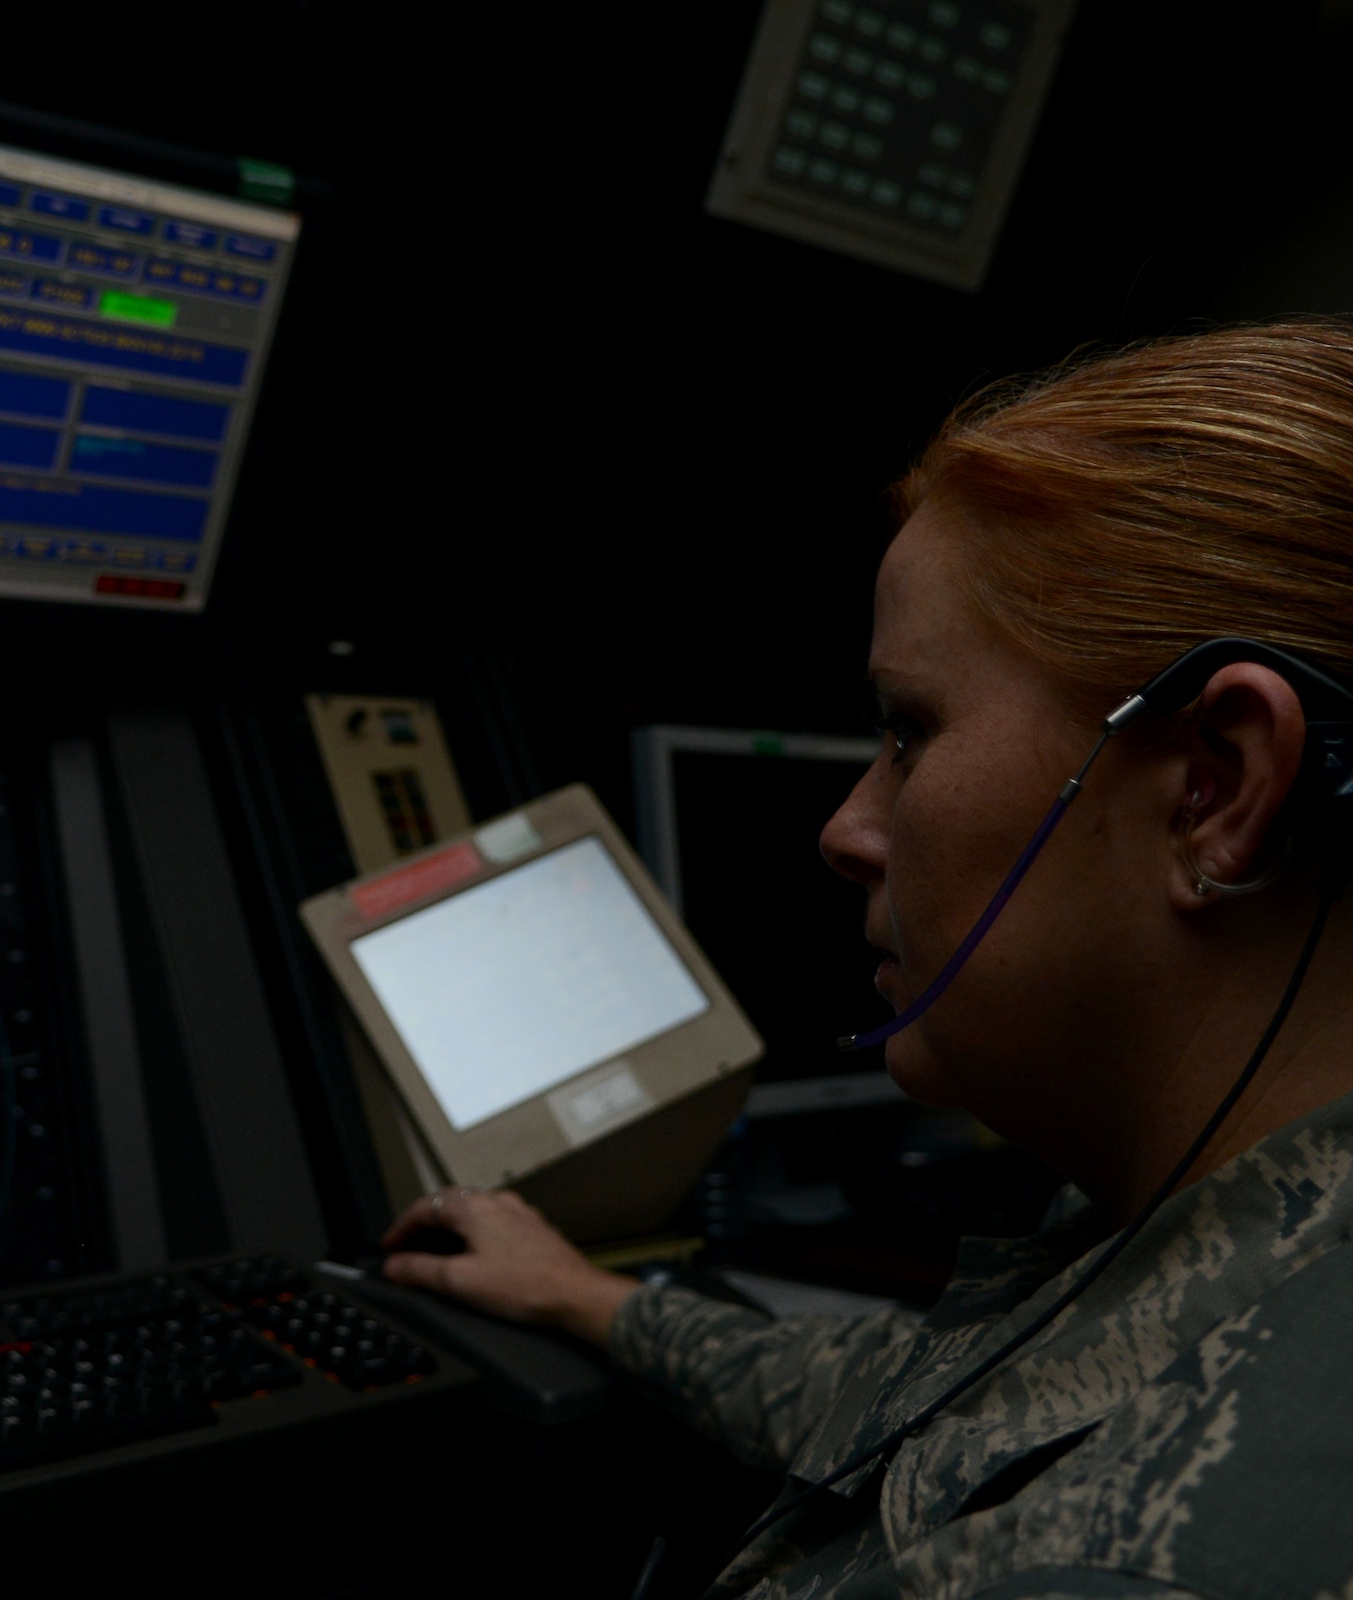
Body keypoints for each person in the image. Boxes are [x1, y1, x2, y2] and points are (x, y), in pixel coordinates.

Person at [381, 320, 1353, 1598]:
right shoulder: (1233, 1241)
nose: (844, 829)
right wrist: (591, 1299)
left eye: (908, 733)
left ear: (1214, 789)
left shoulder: (1106, 1569)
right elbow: (947, 1400)